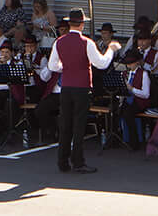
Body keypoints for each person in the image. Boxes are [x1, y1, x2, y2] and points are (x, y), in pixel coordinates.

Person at [45, 9, 113, 174]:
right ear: (82, 24)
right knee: (79, 125)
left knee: (65, 124)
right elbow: (101, 63)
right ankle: (78, 161)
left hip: (66, 87)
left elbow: (52, 66)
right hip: (82, 88)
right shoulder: (87, 42)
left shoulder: (59, 42)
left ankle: (62, 161)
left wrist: (66, 67)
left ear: (69, 24)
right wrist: (111, 50)